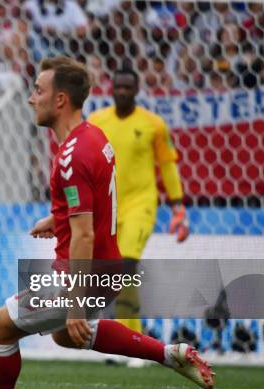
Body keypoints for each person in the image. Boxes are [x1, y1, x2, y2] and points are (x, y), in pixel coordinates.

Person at [0, 56, 213, 389]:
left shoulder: (72, 156)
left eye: (38, 90)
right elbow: (93, 204)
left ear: (60, 100)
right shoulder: (94, 136)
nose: (30, 98)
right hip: (107, 267)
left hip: (79, 273)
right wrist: (57, 220)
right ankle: (170, 354)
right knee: (66, 335)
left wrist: (74, 301)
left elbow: (84, 233)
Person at [87, 68, 188, 367]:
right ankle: (125, 345)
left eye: (127, 87)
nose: (121, 91)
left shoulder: (153, 124)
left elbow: (168, 166)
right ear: (111, 88)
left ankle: (138, 345)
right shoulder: (97, 122)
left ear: (137, 88)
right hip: (109, 205)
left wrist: (178, 207)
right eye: (117, 86)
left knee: (126, 267)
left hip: (141, 205)